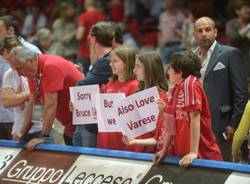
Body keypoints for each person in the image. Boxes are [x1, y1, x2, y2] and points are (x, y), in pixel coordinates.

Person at [151, 51, 222, 168]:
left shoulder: (191, 84)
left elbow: (195, 118)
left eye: (171, 68)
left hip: (202, 154)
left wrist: (193, 152)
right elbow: (170, 122)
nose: (168, 71)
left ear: (180, 71)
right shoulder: (174, 89)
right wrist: (164, 150)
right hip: (183, 156)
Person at [193, 16, 248, 161]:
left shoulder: (230, 53)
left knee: (221, 164)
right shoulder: (191, 57)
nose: (204, 34)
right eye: (200, 31)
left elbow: (241, 94)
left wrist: (233, 125)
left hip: (221, 123)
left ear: (215, 32)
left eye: (208, 29)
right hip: (195, 120)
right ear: (194, 34)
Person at [9, 45, 83, 150]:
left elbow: (51, 104)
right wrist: (23, 132)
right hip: (70, 125)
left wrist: (43, 136)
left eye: (19, 68)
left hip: (82, 125)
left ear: (30, 61)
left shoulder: (50, 66)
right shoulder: (33, 72)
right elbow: (32, 104)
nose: (19, 74)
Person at [73, 21, 114, 147]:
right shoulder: (102, 60)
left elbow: (82, 86)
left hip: (94, 125)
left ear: (93, 38)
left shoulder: (107, 61)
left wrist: (81, 80)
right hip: (90, 119)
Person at [0, 15, 41, 139]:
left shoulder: (34, 57)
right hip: (15, 125)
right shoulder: (10, 74)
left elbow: (41, 98)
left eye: (10, 60)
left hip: (39, 127)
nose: (10, 65)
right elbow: (7, 102)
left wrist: (21, 97)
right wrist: (30, 94)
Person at [123, 51, 169, 153]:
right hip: (131, 151)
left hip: (148, 155)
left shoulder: (162, 99)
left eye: (138, 66)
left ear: (150, 68)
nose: (134, 70)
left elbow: (159, 137)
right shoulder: (137, 95)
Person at [96, 46, 138, 150]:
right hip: (104, 140)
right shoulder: (110, 84)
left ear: (127, 63)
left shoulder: (135, 86)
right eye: (111, 61)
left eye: (115, 61)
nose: (111, 64)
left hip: (122, 143)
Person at [75, 0, 106, 75]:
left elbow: (79, 36)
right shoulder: (102, 16)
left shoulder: (84, 16)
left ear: (86, 4)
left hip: (84, 53)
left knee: (82, 78)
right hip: (99, 54)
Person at [226, 0, 250, 80]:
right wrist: (248, 27)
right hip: (239, 62)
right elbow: (233, 38)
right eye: (246, 8)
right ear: (238, 11)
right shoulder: (231, 24)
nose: (248, 10)